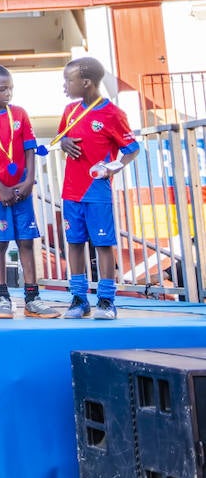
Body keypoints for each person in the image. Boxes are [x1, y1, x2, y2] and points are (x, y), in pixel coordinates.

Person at [0, 65, 58, 319]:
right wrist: (0, 187)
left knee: (26, 242)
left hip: (22, 191)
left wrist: (29, 181)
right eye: (3, 88)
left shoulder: (19, 113)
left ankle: (32, 299)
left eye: (11, 88)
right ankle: (2, 297)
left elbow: (30, 148)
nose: (9, 93)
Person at [56, 57, 139, 320]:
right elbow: (63, 138)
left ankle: (106, 300)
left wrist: (110, 168)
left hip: (96, 191)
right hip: (71, 191)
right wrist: (65, 143)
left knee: (103, 244)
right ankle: (79, 299)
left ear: (87, 82)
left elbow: (131, 150)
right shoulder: (69, 110)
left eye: (69, 80)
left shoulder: (113, 114)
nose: (65, 85)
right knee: (74, 243)